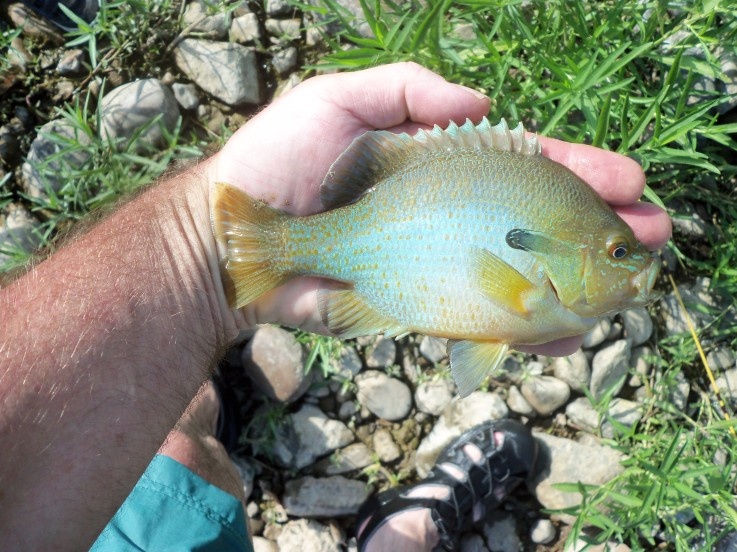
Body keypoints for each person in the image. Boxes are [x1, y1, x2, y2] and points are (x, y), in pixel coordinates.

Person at [0, 63, 672, 551]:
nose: (633, 267)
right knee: (178, 457)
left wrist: (197, 255)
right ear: (572, 250)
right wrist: (198, 254)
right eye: (617, 252)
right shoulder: (542, 288)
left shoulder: (553, 269)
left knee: (174, 458)